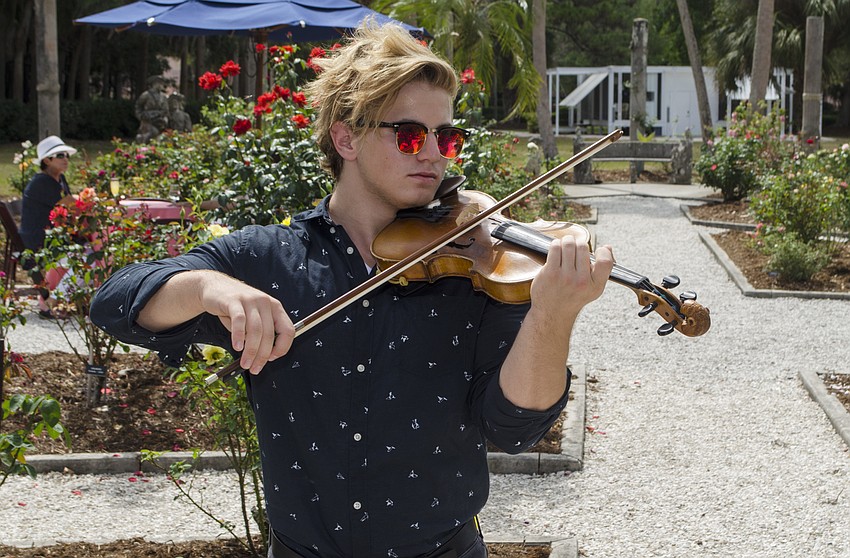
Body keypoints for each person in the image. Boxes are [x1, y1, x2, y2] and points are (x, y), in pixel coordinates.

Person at [90, 22, 614, 558]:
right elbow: (115, 302)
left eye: (447, 136)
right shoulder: (268, 260)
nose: (434, 154)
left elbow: (514, 427)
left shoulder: (475, 266)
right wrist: (209, 288)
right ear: (346, 138)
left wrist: (553, 316)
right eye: (410, 134)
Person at [19, 135, 78, 317]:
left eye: (66, 155)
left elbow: (72, 209)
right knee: (86, 255)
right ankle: (55, 300)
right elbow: (72, 206)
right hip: (38, 239)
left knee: (87, 250)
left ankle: (65, 297)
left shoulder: (59, 179)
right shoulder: (42, 182)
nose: (65, 159)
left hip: (54, 235)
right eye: (60, 155)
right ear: (46, 160)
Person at [135, 76, 169, 143]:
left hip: (159, 120)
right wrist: (140, 116)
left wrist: (165, 118)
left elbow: (166, 109)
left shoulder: (163, 97)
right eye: (160, 83)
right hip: (148, 120)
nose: (161, 85)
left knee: (160, 138)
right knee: (151, 133)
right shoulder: (146, 95)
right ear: (154, 83)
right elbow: (138, 106)